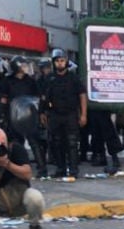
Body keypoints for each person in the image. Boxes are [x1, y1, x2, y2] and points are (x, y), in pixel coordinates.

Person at [0, 127, 49, 229]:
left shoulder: (15, 149)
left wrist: (7, 164)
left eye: (2, 143)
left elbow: (27, 174)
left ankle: (35, 226)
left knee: (35, 197)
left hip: (19, 200)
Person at [42, 49, 86, 179]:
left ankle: (73, 170)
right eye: (57, 61)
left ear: (66, 62)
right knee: (56, 142)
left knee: (72, 143)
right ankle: (60, 168)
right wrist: (42, 112)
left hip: (71, 114)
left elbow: (82, 95)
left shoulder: (74, 78)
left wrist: (83, 114)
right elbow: (44, 97)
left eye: (62, 61)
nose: (60, 63)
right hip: (55, 114)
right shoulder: (50, 78)